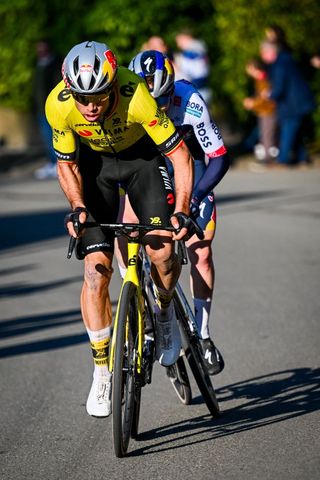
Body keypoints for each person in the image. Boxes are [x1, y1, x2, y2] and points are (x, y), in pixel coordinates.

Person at [45, 41, 196, 417]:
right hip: (95, 168)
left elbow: (179, 154)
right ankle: (100, 370)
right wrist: (78, 207)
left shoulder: (137, 97)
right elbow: (67, 165)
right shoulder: (59, 105)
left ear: (114, 86)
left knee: (161, 250)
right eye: (83, 97)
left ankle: (163, 315)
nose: (90, 106)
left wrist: (181, 210)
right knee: (96, 270)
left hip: (141, 161)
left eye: (98, 95)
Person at [127, 50, 230, 375]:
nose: (157, 109)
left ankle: (203, 334)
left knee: (201, 251)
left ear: (171, 90)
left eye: (162, 101)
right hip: (150, 167)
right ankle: (141, 312)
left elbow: (219, 157)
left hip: (191, 165)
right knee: (130, 230)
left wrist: (197, 195)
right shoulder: (127, 101)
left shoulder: (191, 100)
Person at [260, 40, 315, 167]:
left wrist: (268, 94)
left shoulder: (280, 64)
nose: (262, 57)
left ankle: (282, 160)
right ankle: (303, 158)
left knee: (288, 130)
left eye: (263, 53)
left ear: (270, 52)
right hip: (299, 102)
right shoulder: (285, 59)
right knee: (297, 131)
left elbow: (279, 88)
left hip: (294, 104)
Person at [33, 40, 61, 179]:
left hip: (51, 109)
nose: (40, 52)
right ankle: (51, 163)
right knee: (46, 138)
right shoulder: (38, 64)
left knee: (54, 137)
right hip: (40, 109)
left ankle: (58, 164)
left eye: (43, 49)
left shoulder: (55, 64)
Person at [243, 58, 278, 164]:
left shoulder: (263, 79)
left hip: (268, 110)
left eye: (249, 69)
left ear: (254, 68)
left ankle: (268, 158)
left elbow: (265, 97)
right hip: (264, 111)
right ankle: (267, 156)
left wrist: (253, 103)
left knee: (267, 134)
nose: (248, 72)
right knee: (265, 133)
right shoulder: (260, 79)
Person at [174, 30, 212, 104]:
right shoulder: (199, 49)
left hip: (198, 92)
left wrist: (177, 67)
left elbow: (189, 76)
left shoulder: (191, 53)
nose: (178, 45)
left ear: (185, 38)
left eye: (179, 41)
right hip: (203, 90)